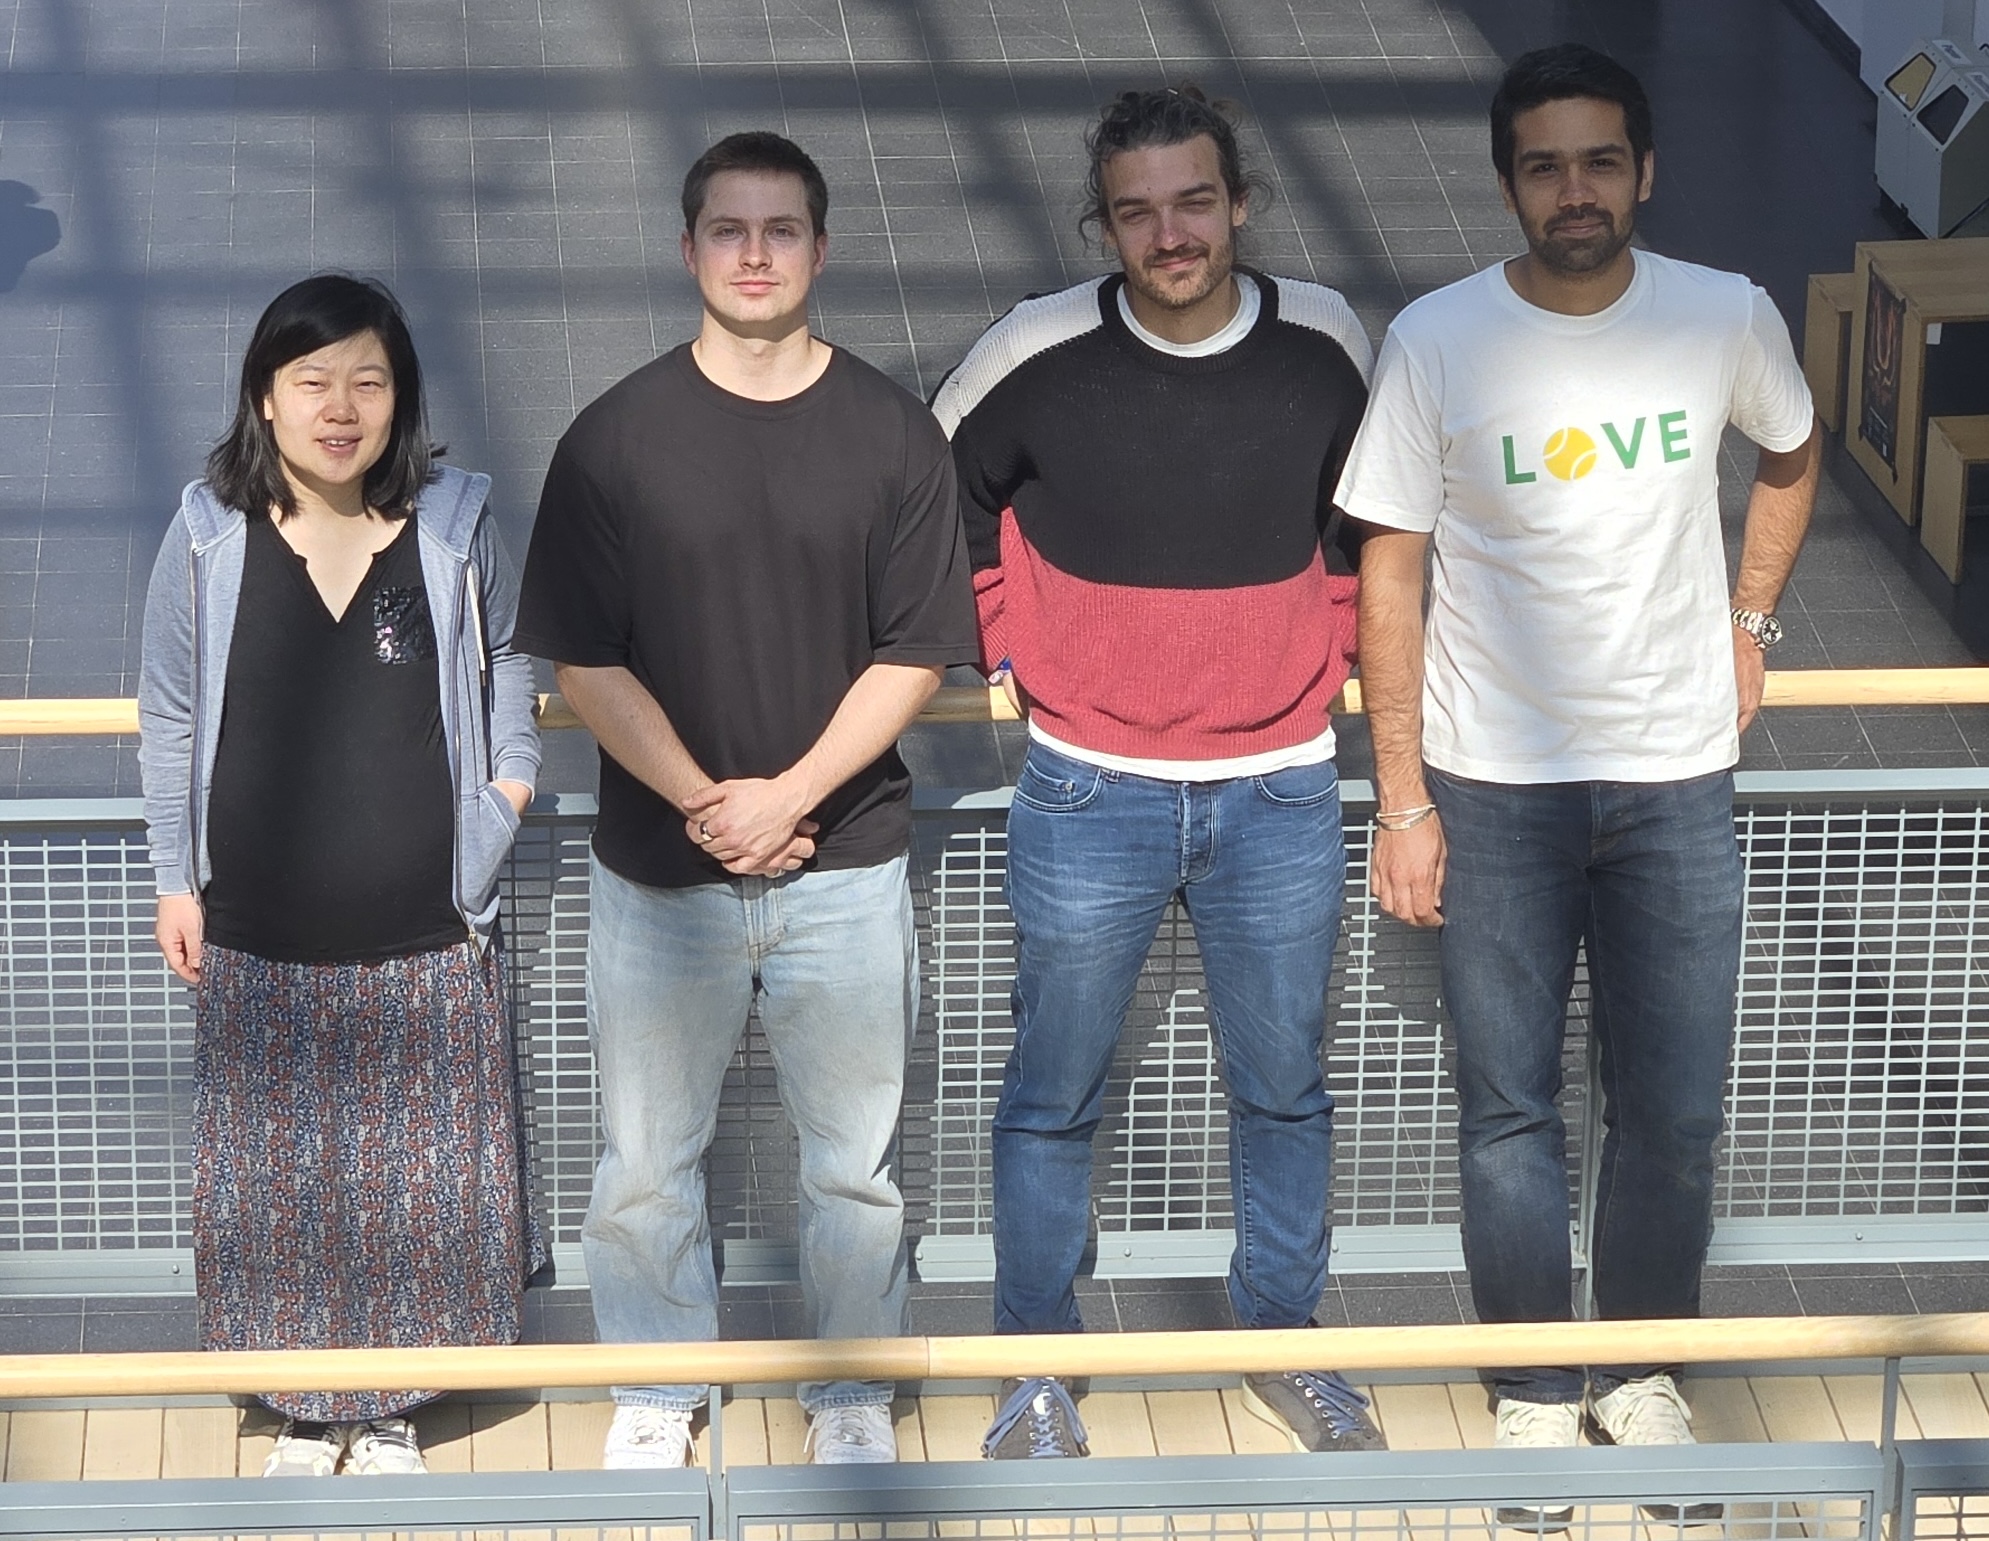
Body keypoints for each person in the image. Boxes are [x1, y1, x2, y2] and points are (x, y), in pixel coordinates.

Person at [1338, 42, 1820, 1513]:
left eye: (1600, 160)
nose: (1575, 190)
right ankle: (1539, 1391)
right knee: (1509, 1111)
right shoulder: (1437, 340)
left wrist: (1748, 621)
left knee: (1674, 1109)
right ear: (1507, 187)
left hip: (1674, 776)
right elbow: (1389, 570)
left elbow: (1792, 450)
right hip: (1493, 786)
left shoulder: (1721, 315)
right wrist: (1403, 797)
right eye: (1543, 166)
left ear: (1645, 172)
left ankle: (1642, 1375)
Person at [932, 85, 1385, 1461]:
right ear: (1103, 224)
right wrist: (1004, 636)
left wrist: (1331, 644)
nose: (1169, 233)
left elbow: (1367, 521)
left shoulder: (1326, 343)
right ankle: (1033, 1374)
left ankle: (1283, 1343)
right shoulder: (1033, 349)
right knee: (1051, 1093)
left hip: (1281, 787)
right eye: (1136, 211)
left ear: (1240, 202)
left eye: (1194, 202)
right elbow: (936, 491)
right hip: (1087, 787)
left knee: (1284, 1089)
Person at [513, 131, 976, 1471]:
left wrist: (789, 798)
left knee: (853, 1166)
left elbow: (914, 651)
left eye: (781, 230)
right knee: (646, 1160)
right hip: (660, 877)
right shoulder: (614, 438)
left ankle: (849, 1391)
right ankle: (661, 1389)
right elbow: (583, 659)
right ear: (687, 250)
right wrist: (708, 803)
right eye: (729, 229)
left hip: (846, 866)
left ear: (821, 251)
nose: (755, 254)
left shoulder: (892, 433)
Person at [138, 273, 546, 1477]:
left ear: (400, 397)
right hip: (257, 924)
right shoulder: (207, 534)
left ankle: (391, 1407)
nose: (341, 407)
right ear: (265, 397)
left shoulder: (452, 524)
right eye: (312, 380)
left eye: (369, 380)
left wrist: (505, 797)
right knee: (281, 1182)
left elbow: (508, 660)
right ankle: (308, 1409)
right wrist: (175, 876)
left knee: (416, 1184)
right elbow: (169, 711)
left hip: (425, 923)